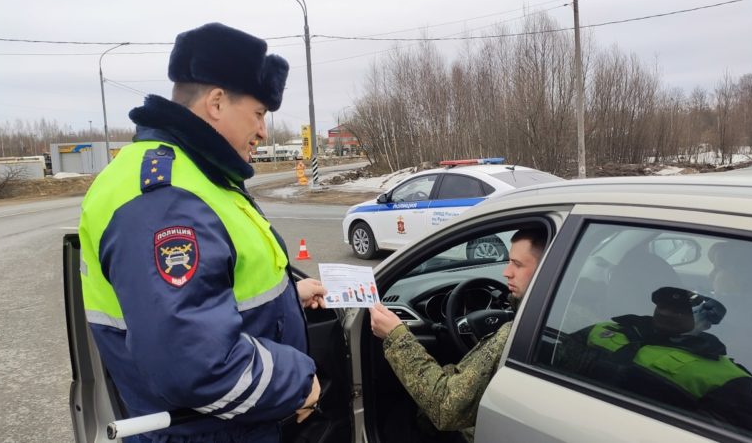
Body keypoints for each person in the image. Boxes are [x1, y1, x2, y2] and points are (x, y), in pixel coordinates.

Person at [79, 23, 326, 442]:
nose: (264, 131)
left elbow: (209, 292)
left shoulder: (199, 175)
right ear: (216, 103)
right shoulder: (165, 198)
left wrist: (286, 300)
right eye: (259, 113)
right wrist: (300, 384)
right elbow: (195, 363)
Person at [369, 228, 547, 441]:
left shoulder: (514, 333)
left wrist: (396, 336)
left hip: (476, 431)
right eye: (508, 261)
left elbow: (446, 408)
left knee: (397, 420)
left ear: (546, 271)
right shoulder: (558, 319)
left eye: (517, 264)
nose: (506, 272)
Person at [561, 286, 752, 436]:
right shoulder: (607, 330)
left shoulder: (728, 377)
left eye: (679, 311)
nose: (666, 313)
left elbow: (729, 435)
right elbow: (554, 357)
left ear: (707, 321)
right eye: (664, 306)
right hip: (568, 421)